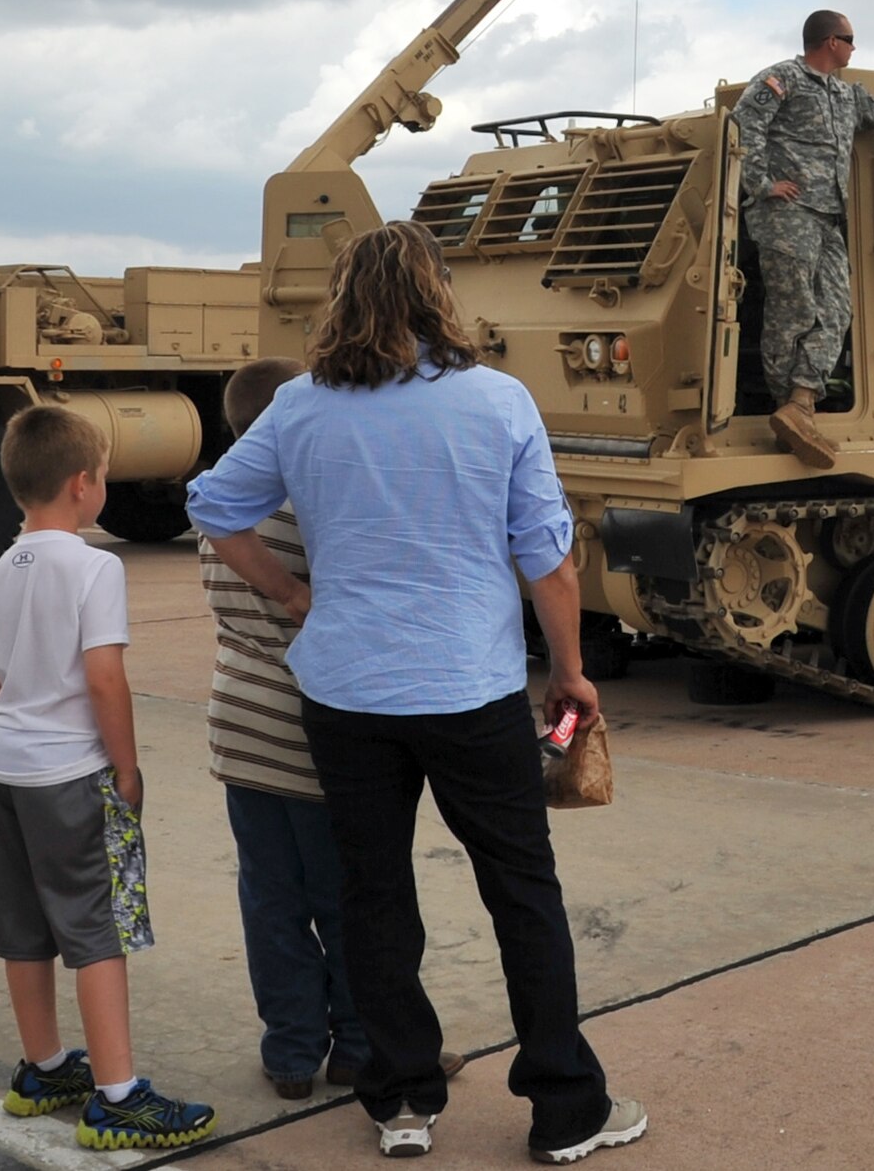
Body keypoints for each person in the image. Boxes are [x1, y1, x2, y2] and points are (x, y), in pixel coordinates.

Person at [186, 223, 645, 1163]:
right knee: (522, 892)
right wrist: (569, 669)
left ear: (341, 301)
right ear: (440, 294)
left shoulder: (302, 407)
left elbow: (213, 507)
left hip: (347, 693)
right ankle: (565, 1103)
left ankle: (399, 1099)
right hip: (468, 690)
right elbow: (547, 560)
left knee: (374, 891)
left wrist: (292, 595)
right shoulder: (498, 401)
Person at [199, 355, 467, 1102]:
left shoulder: (220, 507)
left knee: (269, 898)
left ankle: (288, 1053)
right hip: (310, 730)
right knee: (350, 897)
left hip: (238, 726)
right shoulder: (308, 507)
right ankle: (360, 1042)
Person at [0, 405, 216, 1151]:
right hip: (72, 773)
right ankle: (117, 1096)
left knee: (23, 927)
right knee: (97, 927)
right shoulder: (95, 566)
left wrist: (14, 742)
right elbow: (104, 676)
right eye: (105, 473)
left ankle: (43, 1066)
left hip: (4, 770)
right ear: (83, 484)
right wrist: (128, 767)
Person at [737, 8, 874, 467]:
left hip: (828, 218)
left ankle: (800, 404)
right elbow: (744, 125)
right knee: (791, 312)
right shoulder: (784, 79)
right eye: (850, 38)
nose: (855, 47)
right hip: (787, 215)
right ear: (829, 42)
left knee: (837, 311)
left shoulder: (845, 95)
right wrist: (761, 184)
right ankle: (790, 413)